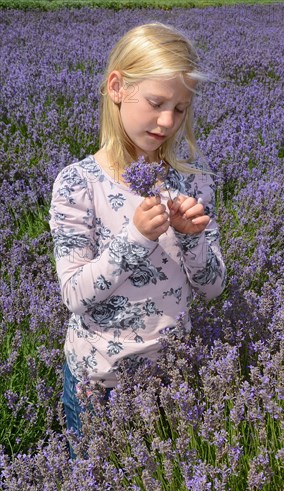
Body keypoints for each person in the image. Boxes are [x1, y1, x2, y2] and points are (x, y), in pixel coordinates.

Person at [49, 22, 226, 443]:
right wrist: (136, 238)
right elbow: (75, 294)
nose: (167, 120)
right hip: (99, 384)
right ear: (117, 87)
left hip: (172, 382)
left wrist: (190, 236)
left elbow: (213, 287)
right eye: (155, 102)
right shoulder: (78, 184)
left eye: (180, 109)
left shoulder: (194, 184)